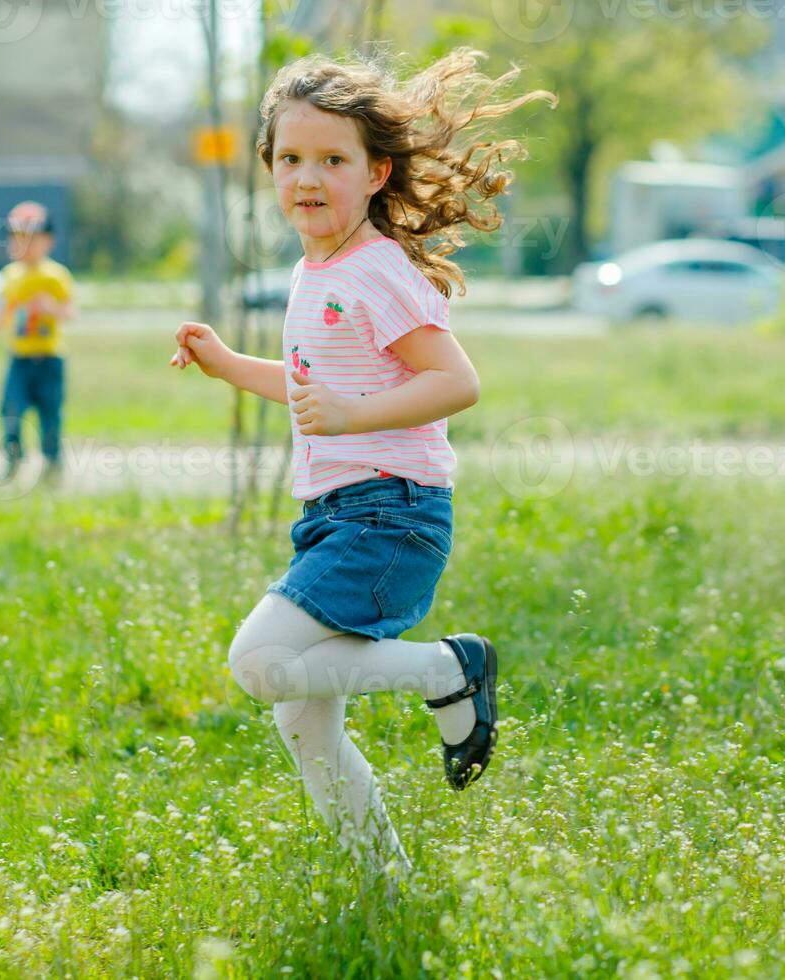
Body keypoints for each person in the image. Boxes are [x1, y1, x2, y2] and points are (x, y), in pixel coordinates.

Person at [170, 50, 554, 877]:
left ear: (377, 172)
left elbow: (457, 382)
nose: (308, 177)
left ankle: (448, 670)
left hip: (389, 514)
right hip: (339, 516)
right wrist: (228, 362)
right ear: (270, 166)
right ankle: (386, 880)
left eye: (334, 160)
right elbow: (317, 388)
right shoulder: (320, 270)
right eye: (291, 158)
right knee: (302, 718)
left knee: (258, 662)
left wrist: (352, 417)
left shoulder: (375, 270)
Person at [0, 201, 74, 485]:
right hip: (19, 358)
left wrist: (50, 308)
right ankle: (13, 456)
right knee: (10, 408)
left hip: (49, 358)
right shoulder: (11, 275)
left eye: (31, 240)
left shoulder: (55, 276)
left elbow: (70, 313)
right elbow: (2, 314)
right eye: (17, 239)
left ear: (48, 241)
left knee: (50, 415)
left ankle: (53, 460)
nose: (23, 246)